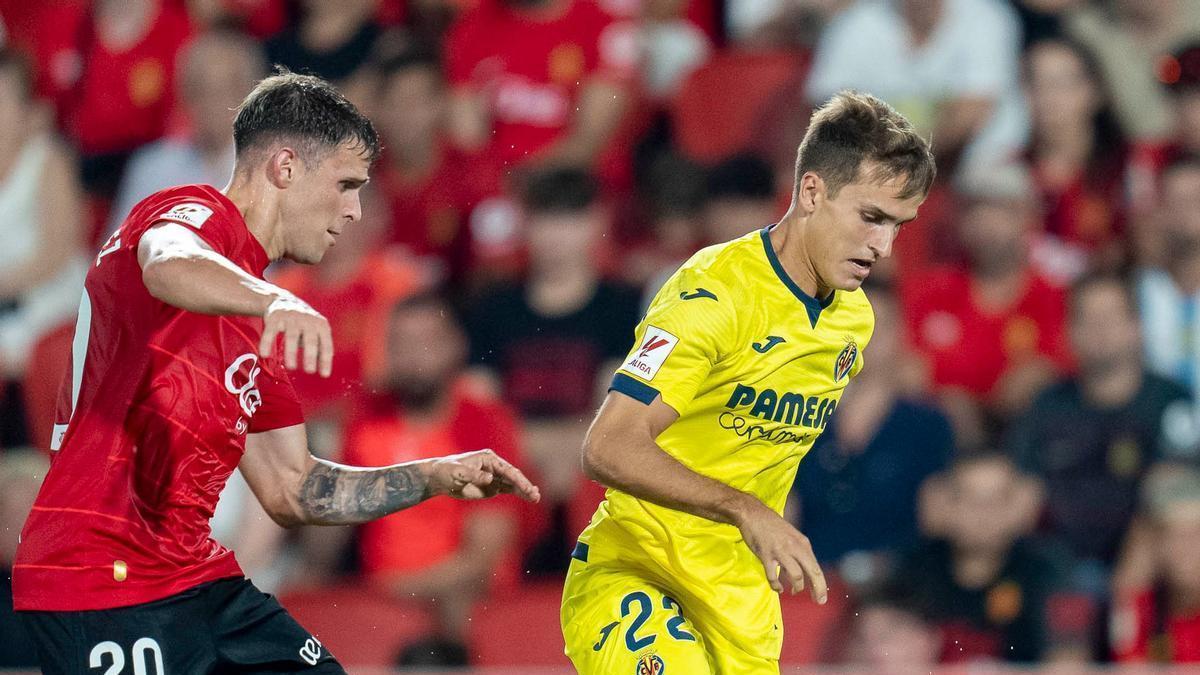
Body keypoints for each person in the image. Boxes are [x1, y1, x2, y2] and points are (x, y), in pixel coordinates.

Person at [12, 71, 539, 675]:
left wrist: (435, 474)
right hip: (100, 577)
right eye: (345, 184)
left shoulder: (250, 325)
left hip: (195, 577)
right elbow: (167, 261)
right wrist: (275, 300)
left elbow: (295, 490)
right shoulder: (187, 213)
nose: (355, 210)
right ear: (286, 167)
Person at [561, 91, 936, 674]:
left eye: (898, 226)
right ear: (812, 191)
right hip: (639, 573)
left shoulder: (853, 319)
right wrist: (746, 510)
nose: (883, 247)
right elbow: (606, 446)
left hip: (740, 600)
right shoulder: (711, 295)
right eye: (871, 217)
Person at [343, 292, 530, 663]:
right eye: (401, 344)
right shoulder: (364, 420)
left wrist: (388, 590)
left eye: (426, 342)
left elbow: (484, 556)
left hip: (457, 604)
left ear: (456, 346)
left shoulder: (484, 423)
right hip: (380, 602)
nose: (414, 357)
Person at [1005, 274, 1194, 591]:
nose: (1100, 330)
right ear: (1069, 332)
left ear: (1137, 326)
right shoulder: (1047, 406)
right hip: (1058, 566)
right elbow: (1021, 491)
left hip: (1148, 569)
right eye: (1087, 319)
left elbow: (1175, 492)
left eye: (1111, 317)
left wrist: (1129, 573)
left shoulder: (1171, 400)